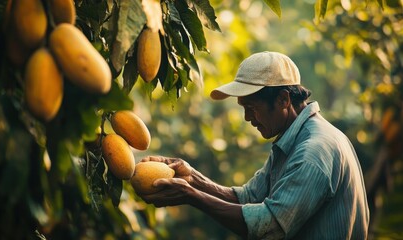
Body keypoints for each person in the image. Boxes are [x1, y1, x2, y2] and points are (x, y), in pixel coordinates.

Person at [137, 51, 370, 239]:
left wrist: (191, 196)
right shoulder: (294, 138)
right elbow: (249, 198)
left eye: (252, 108)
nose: (248, 118)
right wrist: (192, 178)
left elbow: (269, 225)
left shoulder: (313, 152)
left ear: (283, 100)